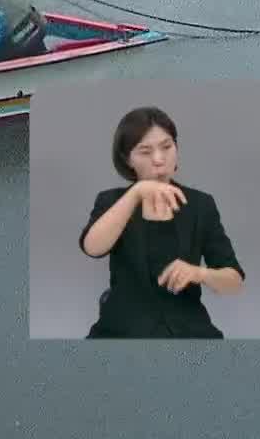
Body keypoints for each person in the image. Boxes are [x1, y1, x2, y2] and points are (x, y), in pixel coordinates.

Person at [79, 106, 245, 338]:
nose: (159, 159)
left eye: (167, 147)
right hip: (122, 331)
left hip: (188, 331)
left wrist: (200, 274)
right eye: (145, 152)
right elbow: (92, 248)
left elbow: (234, 281)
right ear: (128, 160)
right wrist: (136, 194)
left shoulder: (201, 204)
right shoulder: (112, 201)